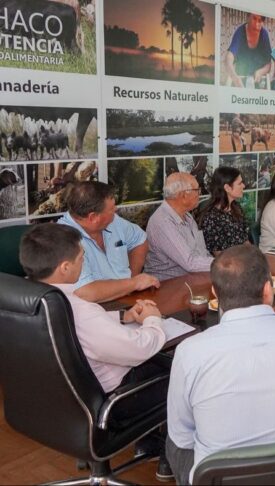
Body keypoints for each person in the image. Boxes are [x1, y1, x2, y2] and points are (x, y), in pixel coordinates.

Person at [166, 245, 275, 485]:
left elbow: (182, 437)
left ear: (215, 292)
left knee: (173, 443)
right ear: (268, 289)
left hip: (222, 478)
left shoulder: (190, 352)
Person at [20, 223, 173, 480]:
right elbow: (141, 348)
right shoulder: (81, 311)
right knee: (176, 368)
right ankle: (168, 454)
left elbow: (81, 332)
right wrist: (152, 320)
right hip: (109, 403)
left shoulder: (29, 300)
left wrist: (123, 316)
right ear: (65, 268)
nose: (84, 262)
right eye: (81, 258)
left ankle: (149, 444)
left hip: (48, 403)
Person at [57, 181, 159, 302]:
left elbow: (139, 239)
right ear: (93, 217)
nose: (115, 210)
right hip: (95, 309)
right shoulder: (63, 238)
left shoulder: (113, 221)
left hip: (127, 298)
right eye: (111, 209)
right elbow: (85, 292)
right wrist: (134, 283)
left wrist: (130, 281)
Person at [145, 173, 214, 281]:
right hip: (167, 287)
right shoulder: (163, 222)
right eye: (197, 190)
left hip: (191, 280)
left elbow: (201, 252)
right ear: (184, 195)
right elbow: (190, 263)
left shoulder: (187, 217)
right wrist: (223, 264)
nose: (199, 194)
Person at [198, 167, 249, 255]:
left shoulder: (236, 207)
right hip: (227, 264)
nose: (243, 186)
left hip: (243, 259)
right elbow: (218, 254)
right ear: (227, 188)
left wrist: (255, 256)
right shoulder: (211, 217)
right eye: (240, 183)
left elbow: (245, 240)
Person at [223, 13, 272, 89]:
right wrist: (235, 79)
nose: (256, 25)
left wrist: (260, 72)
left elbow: (268, 64)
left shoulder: (264, 34)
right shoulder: (240, 32)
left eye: (259, 20)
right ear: (248, 17)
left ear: (263, 22)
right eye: (254, 18)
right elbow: (228, 59)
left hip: (258, 82)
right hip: (240, 81)